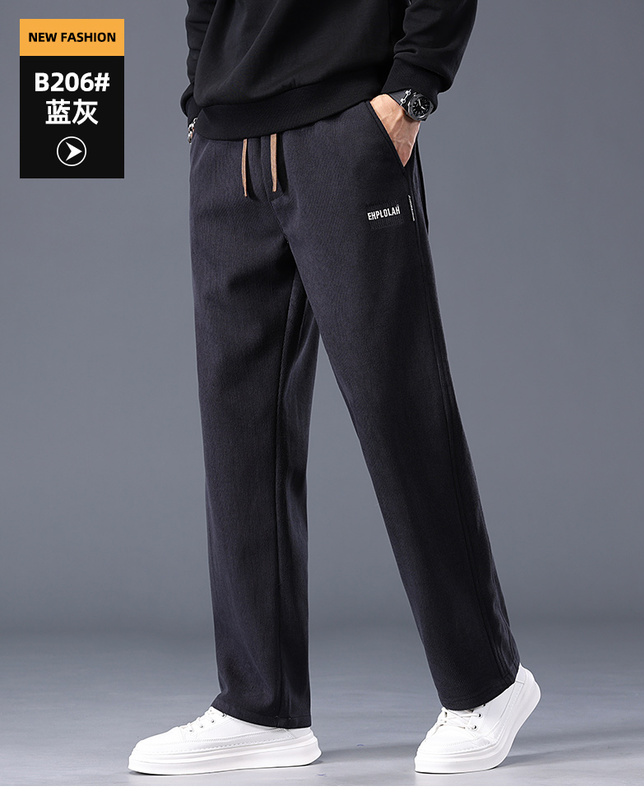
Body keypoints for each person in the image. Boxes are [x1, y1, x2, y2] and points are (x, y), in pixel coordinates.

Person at [128, 0, 540, 776]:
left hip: (347, 131)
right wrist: (201, 99)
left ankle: (487, 684)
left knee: (399, 407)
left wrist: (412, 90)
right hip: (226, 144)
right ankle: (261, 705)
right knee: (238, 427)